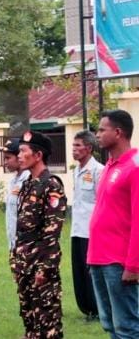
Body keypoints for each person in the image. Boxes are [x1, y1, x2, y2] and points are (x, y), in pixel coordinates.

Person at [88, 110, 139, 339]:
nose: (97, 134)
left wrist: (133, 264)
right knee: (110, 324)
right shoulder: (110, 166)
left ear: (118, 132)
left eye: (101, 129)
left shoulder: (134, 166)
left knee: (128, 324)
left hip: (119, 260)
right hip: (99, 257)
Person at [14, 130, 67, 339]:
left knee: (47, 309)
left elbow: (52, 231)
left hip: (41, 258)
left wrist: (44, 267)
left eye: (25, 152)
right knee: (30, 309)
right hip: (24, 257)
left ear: (38, 155)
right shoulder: (27, 184)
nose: (20, 155)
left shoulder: (51, 185)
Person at [71, 130, 104, 320]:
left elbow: (101, 202)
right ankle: (85, 307)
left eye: (78, 146)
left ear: (89, 148)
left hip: (91, 231)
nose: (74, 150)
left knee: (91, 272)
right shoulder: (76, 171)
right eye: (73, 146)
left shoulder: (98, 171)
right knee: (79, 271)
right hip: (76, 229)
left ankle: (96, 309)